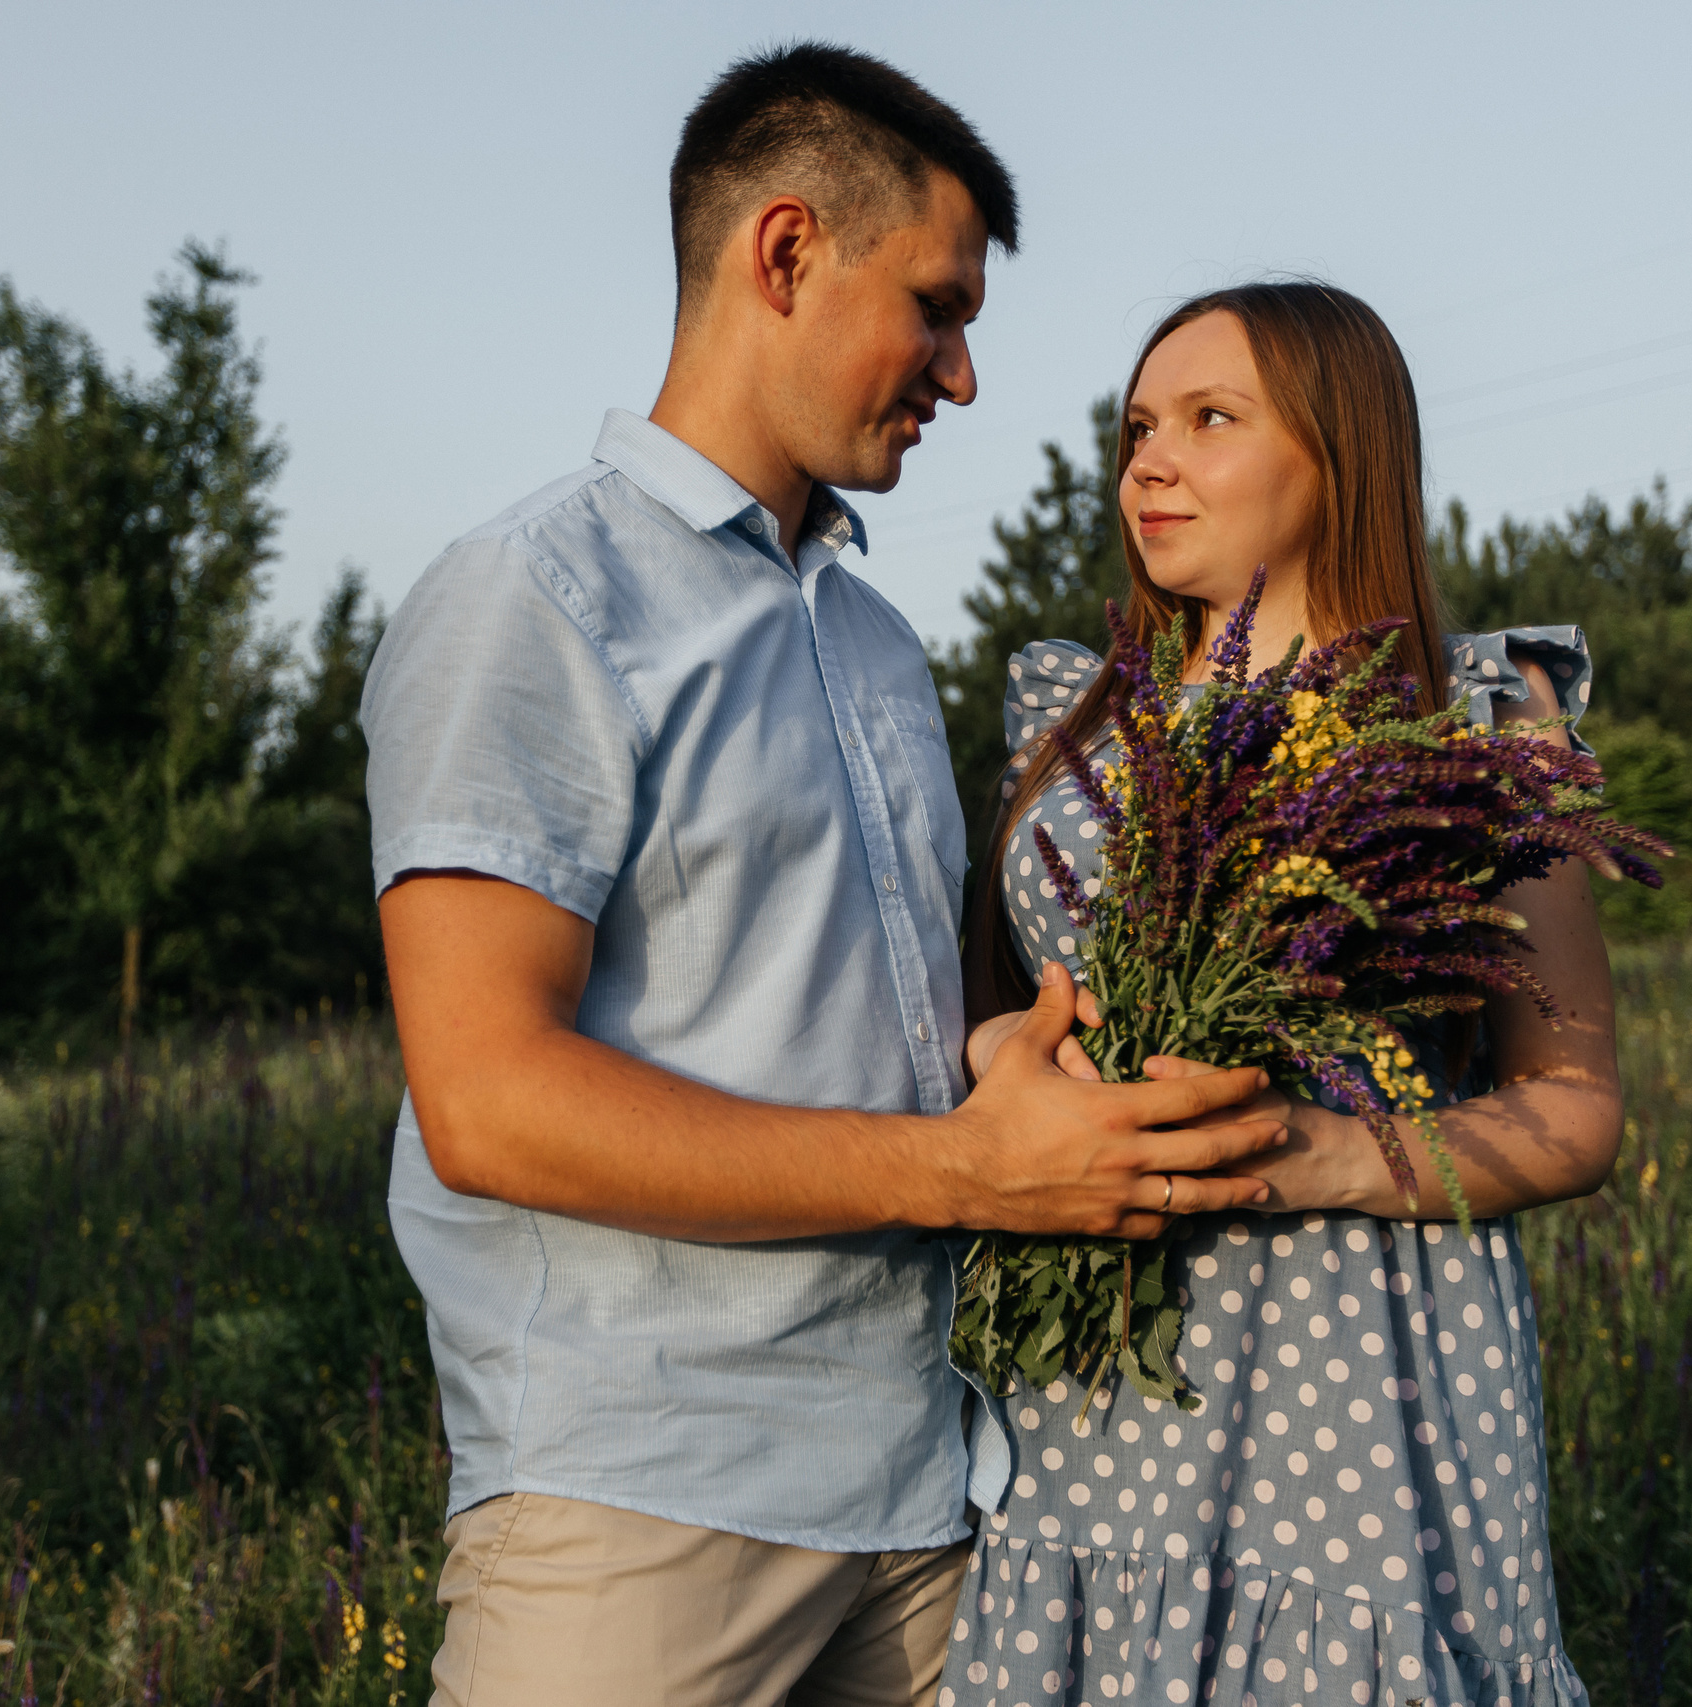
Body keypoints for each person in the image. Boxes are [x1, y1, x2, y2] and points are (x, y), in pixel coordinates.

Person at [362, 46, 1288, 1707]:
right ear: (785, 254)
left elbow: (855, 1034)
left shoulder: (872, 642)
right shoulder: (533, 600)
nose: (965, 374)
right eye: (936, 309)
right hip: (640, 1514)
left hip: (929, 1500)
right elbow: (486, 1101)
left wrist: (1013, 1074)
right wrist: (963, 1173)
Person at [941, 283, 1616, 1706]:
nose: (1149, 462)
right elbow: (981, 1024)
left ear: (1339, 452)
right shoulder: (1070, 726)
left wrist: (1320, 1155)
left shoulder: (1475, 726)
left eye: (1209, 419)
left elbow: (1575, 1109)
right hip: (1098, 1402)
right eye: (1135, 428)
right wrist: (1012, 1047)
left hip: (1360, 1394)